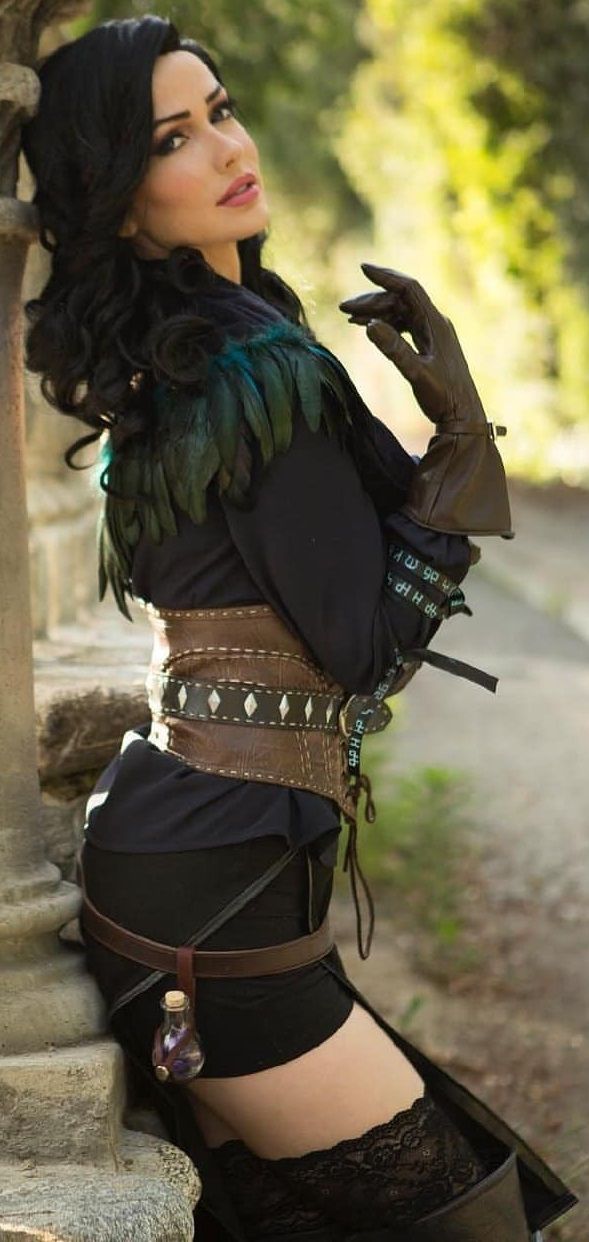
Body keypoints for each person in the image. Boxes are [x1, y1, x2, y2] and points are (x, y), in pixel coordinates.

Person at [21, 15, 576, 1241]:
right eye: (174, 136)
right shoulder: (247, 369)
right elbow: (362, 648)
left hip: (200, 870)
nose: (225, 144)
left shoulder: (195, 356)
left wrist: (443, 463)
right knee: (476, 1219)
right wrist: (465, 455)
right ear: (118, 197)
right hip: (209, 904)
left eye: (220, 108)